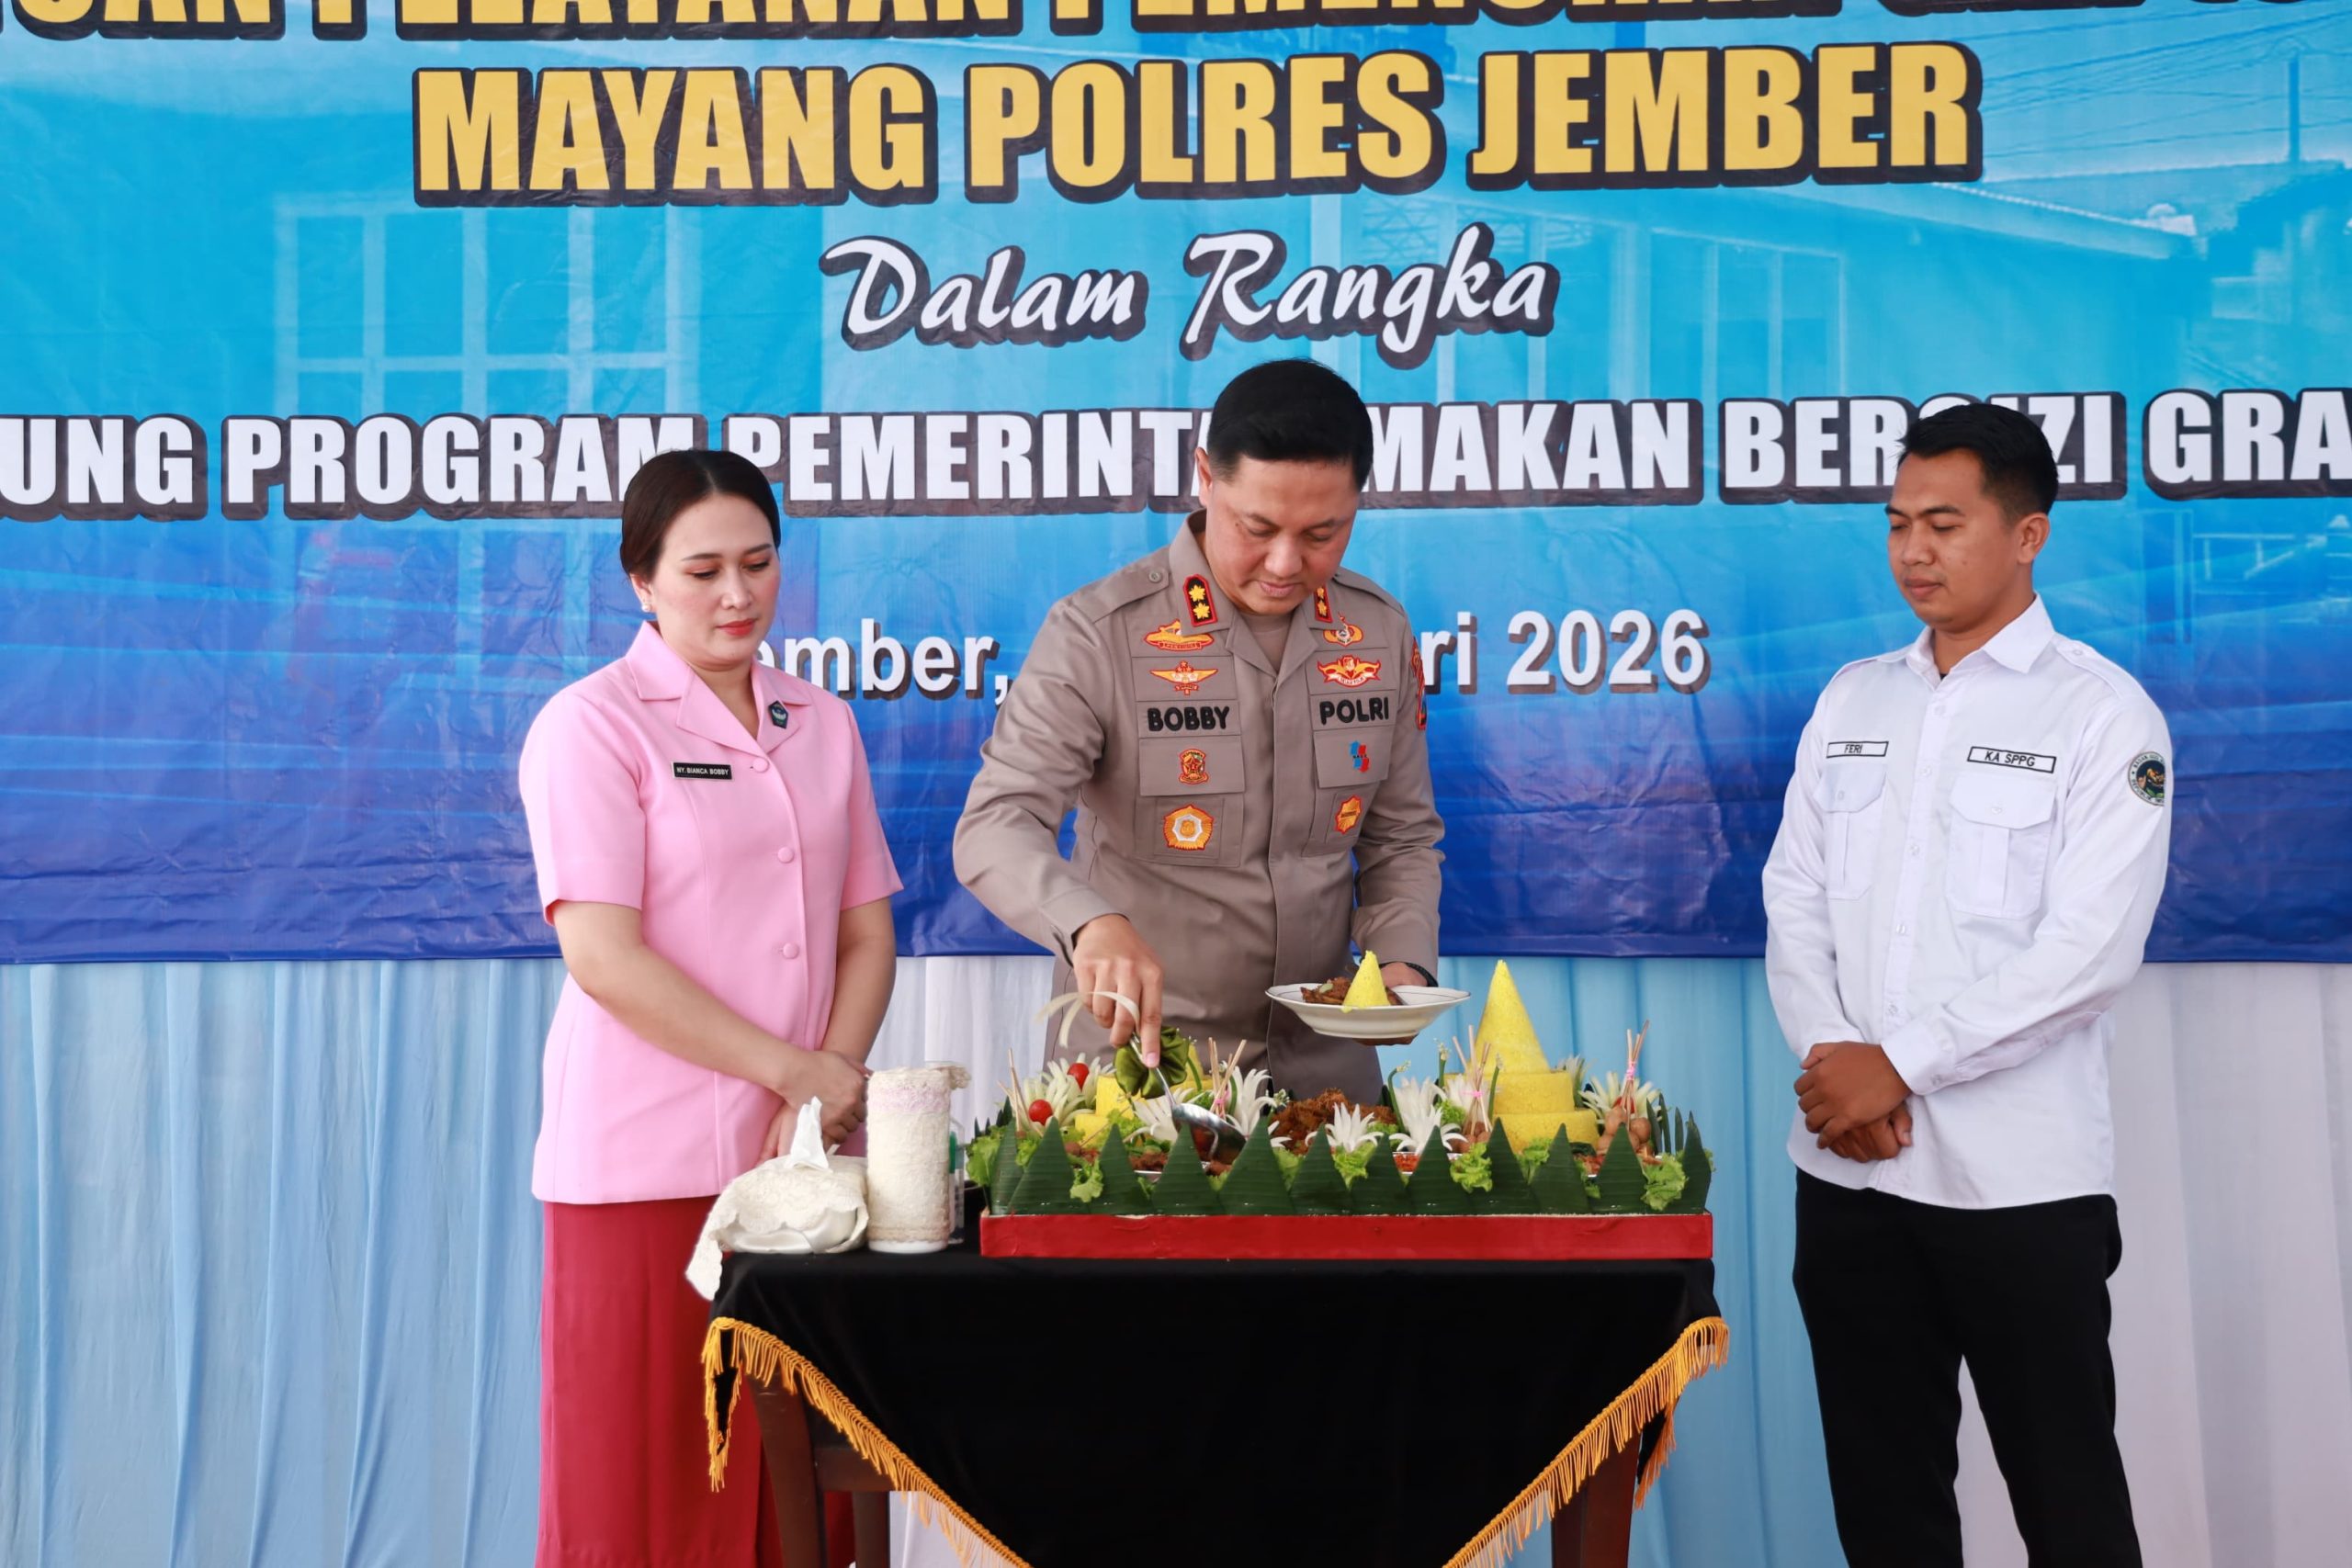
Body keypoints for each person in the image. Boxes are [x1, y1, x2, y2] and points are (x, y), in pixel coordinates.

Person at [1761, 401, 2170, 1567]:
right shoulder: (1854, 697)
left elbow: (2088, 952)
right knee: (1885, 1505)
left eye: (1943, 525)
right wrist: (1837, 1063)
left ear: (2028, 534)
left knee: (2067, 1501)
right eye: (1897, 524)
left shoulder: (2100, 715)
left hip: (2019, 1186)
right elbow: (1794, 896)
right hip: (1849, 1172)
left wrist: (1899, 1065)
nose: (1913, 552)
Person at [518, 448, 900, 1568]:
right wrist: (793, 1071)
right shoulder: (592, 725)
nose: (738, 594)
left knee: (797, 1474)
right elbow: (604, 957)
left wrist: (827, 1087)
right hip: (646, 1163)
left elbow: (865, 933)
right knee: (650, 1474)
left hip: (802, 1160)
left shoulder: (820, 721)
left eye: (758, 563)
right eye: (702, 572)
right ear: (641, 580)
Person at [954, 359, 1442, 1100]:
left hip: (1326, 1074)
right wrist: (1088, 924)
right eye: (1257, 527)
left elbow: (1401, 838)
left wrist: (1401, 963)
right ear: (1206, 477)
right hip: (1145, 1069)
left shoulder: (1376, 630)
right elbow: (996, 823)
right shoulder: (1099, 632)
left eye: (1323, 532)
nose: (1285, 563)